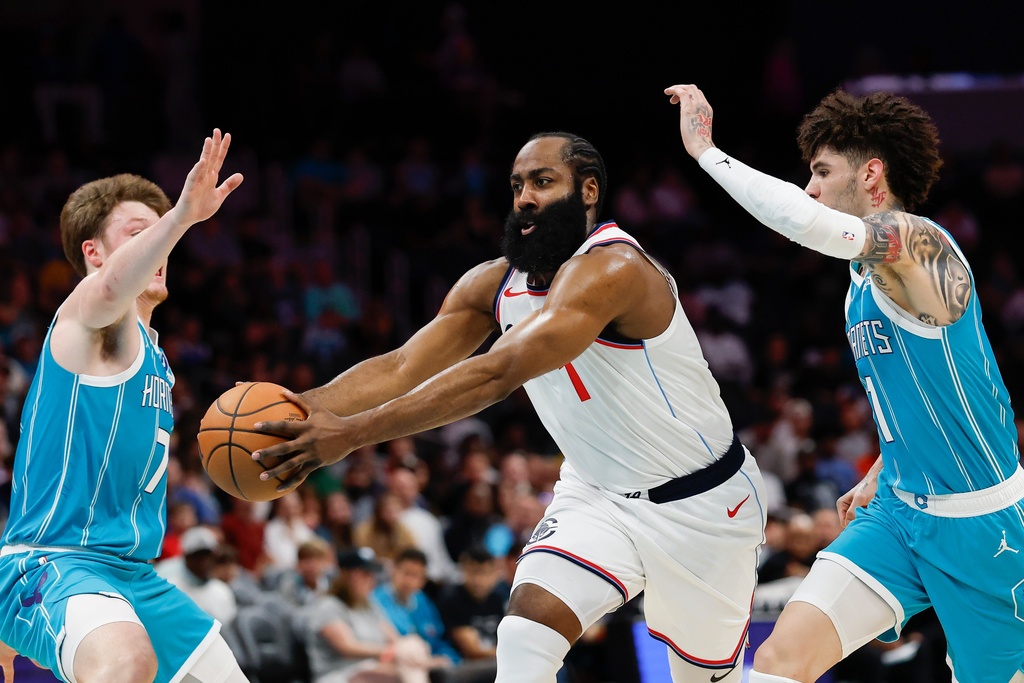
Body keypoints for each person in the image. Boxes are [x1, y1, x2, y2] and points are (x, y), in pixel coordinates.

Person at [251, 131, 768, 682]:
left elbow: (497, 373)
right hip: (596, 496)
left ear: (588, 191)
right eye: (517, 184)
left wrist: (352, 434)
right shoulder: (494, 284)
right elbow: (402, 366)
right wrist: (293, 411)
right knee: (523, 636)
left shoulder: (616, 270)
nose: (524, 197)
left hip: (703, 503)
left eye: (543, 182)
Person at [665, 82, 1024, 683]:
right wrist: (882, 469)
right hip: (898, 514)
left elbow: (807, 224)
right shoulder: (862, 279)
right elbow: (922, 396)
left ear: (871, 175)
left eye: (822, 171)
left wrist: (706, 152)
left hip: (982, 530)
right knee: (780, 662)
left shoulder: (920, 244)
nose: (811, 189)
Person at [0, 130, 245, 683]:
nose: (161, 246)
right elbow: (111, 291)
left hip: (132, 576)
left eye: (162, 234)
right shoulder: (88, 317)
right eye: (142, 233)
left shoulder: (157, 356)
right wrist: (181, 214)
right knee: (127, 663)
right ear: (95, 253)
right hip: (53, 561)